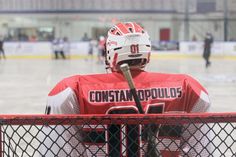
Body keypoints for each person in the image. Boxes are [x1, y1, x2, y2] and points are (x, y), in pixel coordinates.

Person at [41, 22, 211, 157]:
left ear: (110, 52)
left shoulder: (72, 89)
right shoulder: (187, 87)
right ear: (147, 53)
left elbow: (59, 151)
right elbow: (201, 152)